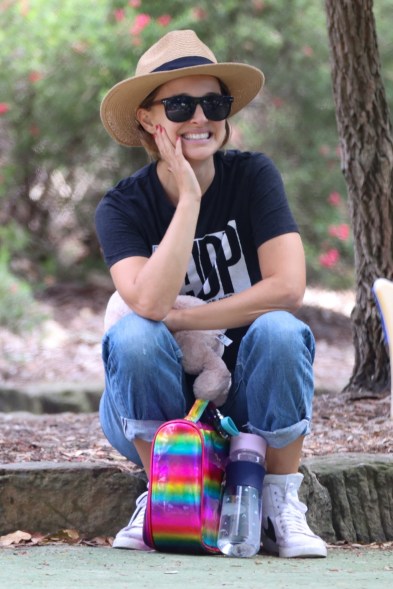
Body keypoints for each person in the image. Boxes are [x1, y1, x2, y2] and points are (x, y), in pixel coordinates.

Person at [95, 29, 327, 559]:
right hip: (154, 396)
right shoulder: (122, 208)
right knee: (133, 335)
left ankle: (279, 500)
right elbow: (149, 307)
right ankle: (163, 492)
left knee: (282, 330)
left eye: (213, 103)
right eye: (180, 105)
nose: (200, 117)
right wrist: (190, 199)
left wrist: (185, 321)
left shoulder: (253, 176)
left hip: (245, 397)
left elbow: (288, 288)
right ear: (149, 122)